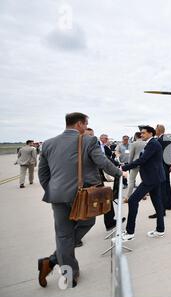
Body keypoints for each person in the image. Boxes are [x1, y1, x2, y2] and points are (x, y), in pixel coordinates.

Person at [37, 112, 126, 288]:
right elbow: (102, 162)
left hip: (58, 196)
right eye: (85, 124)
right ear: (79, 124)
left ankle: (67, 272)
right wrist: (119, 172)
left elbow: (43, 174)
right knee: (87, 223)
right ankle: (53, 260)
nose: (86, 128)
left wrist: (53, 189)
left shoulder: (48, 144)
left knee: (63, 235)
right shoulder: (88, 140)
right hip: (82, 195)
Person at [120, 126, 165, 241]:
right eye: (140, 133)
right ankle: (160, 230)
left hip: (151, 179)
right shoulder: (150, 143)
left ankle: (130, 232)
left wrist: (124, 167)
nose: (141, 135)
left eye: (144, 133)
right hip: (155, 177)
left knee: (132, 200)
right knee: (157, 203)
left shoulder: (153, 144)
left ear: (151, 133)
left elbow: (142, 160)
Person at [149, 124, 171, 218]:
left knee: (162, 188)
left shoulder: (161, 140)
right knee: (167, 185)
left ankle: (162, 209)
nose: (155, 130)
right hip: (166, 165)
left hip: (162, 166)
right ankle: (168, 204)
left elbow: (168, 153)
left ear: (159, 130)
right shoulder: (166, 138)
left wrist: (170, 165)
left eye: (156, 129)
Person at [125, 132, 147, 202]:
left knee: (131, 180)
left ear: (135, 136)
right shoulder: (146, 143)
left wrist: (129, 164)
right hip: (144, 163)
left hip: (135, 163)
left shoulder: (133, 144)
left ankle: (128, 196)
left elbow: (131, 155)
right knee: (143, 180)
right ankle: (144, 195)